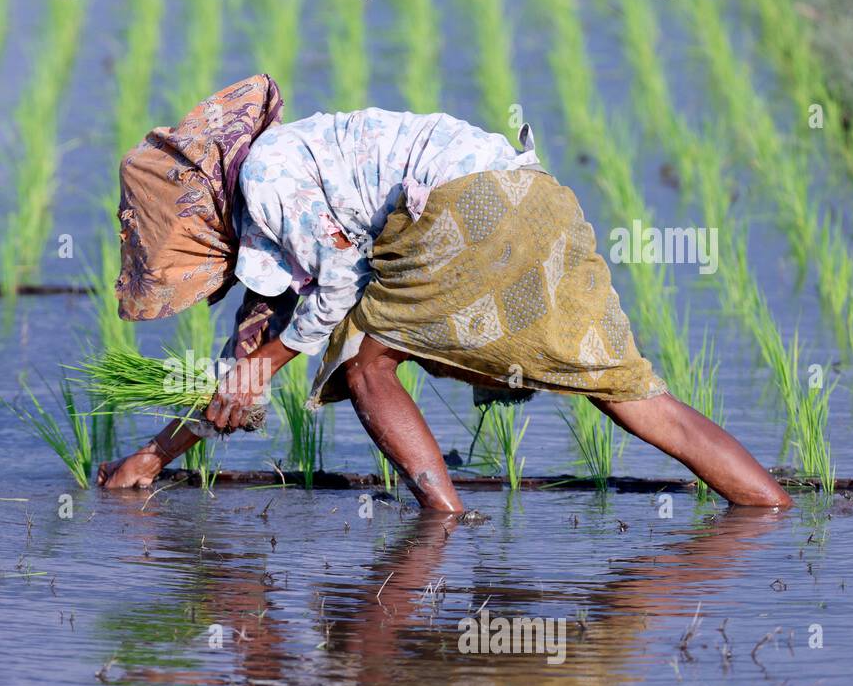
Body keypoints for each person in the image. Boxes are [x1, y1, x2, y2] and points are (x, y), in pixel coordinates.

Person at [98, 75, 791, 511]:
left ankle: (445, 519)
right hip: (536, 199)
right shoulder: (282, 185)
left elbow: (336, 285)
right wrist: (154, 455)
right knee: (628, 391)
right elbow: (247, 353)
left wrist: (260, 370)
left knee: (365, 367)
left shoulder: (269, 179)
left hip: (467, 211)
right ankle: (770, 506)